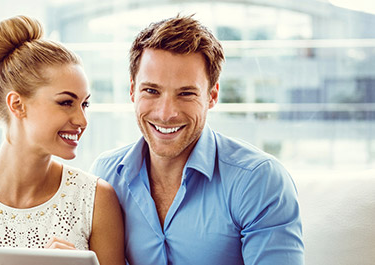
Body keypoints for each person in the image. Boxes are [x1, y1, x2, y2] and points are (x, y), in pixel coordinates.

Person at [90, 15, 304, 265]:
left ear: (212, 96)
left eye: (186, 93)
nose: (165, 113)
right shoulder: (105, 176)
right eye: (151, 91)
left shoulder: (259, 180)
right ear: (132, 91)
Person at [0, 15, 124, 265]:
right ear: (17, 105)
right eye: (66, 103)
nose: (82, 120)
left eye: (85, 104)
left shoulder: (96, 200)